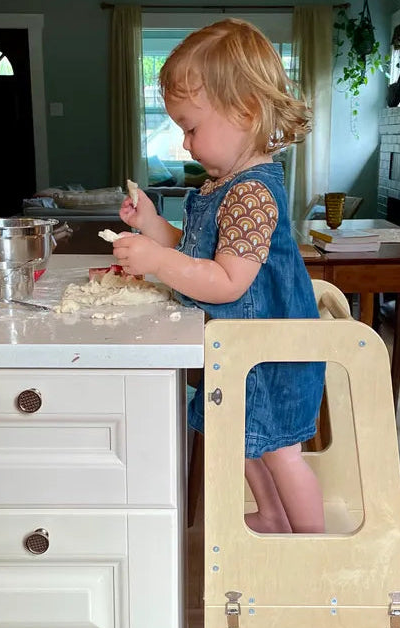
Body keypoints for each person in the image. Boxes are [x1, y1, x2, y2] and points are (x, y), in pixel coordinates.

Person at [111, 18, 325, 535]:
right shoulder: (219, 186)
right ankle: (274, 517)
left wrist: (158, 262)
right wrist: (152, 227)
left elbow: (227, 281)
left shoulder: (251, 192)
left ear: (246, 112)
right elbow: (194, 249)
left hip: (271, 359)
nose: (185, 145)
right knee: (245, 443)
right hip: (239, 353)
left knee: (281, 455)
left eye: (191, 127)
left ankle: (316, 551)